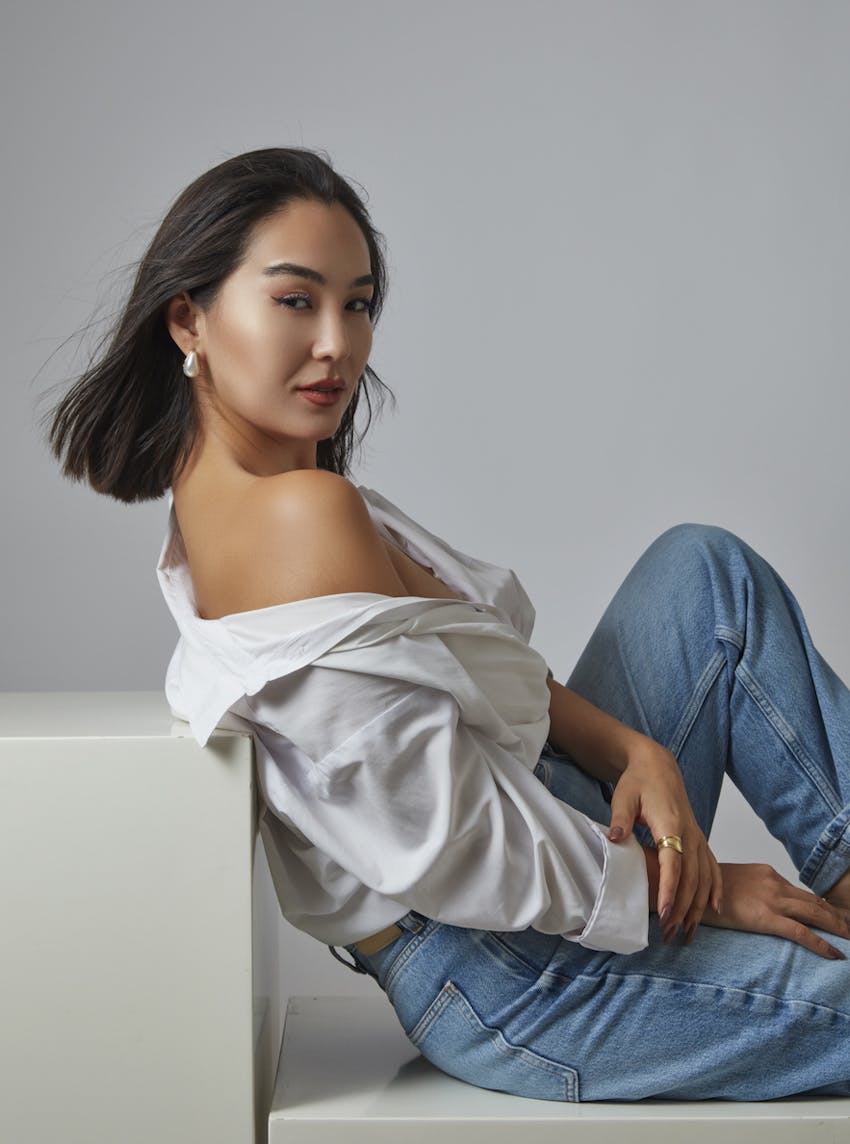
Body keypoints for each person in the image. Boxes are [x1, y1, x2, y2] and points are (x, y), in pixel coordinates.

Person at [42, 146, 850, 1102]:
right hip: (517, 958)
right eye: (296, 300)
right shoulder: (300, 521)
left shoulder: (273, 504)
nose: (338, 344)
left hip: (552, 834)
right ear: (191, 317)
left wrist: (641, 753)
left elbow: (489, 682)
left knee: (703, 573)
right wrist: (709, 893)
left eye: (359, 303)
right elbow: (463, 843)